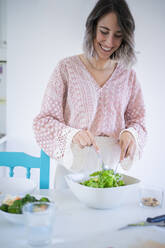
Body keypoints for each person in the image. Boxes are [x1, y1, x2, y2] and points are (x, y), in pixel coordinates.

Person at [33, 0, 147, 184]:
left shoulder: (128, 76)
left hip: (110, 173)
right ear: (92, 27)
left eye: (118, 35)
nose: (110, 42)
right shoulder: (66, 69)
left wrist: (131, 133)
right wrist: (72, 134)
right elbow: (43, 122)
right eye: (104, 31)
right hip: (72, 170)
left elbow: (139, 122)